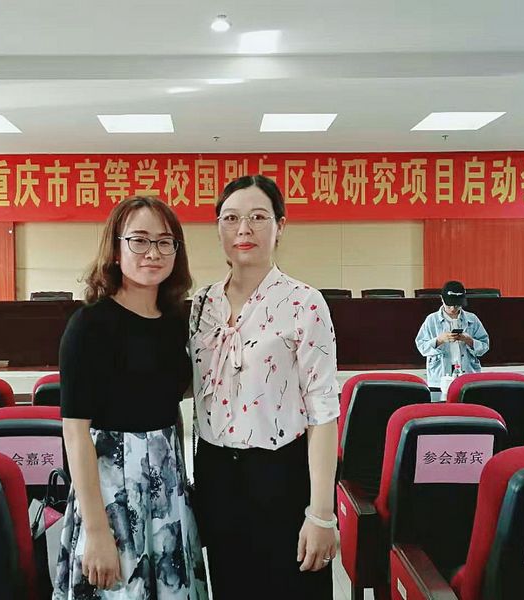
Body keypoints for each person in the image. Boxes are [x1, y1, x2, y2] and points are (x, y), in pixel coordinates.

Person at [189, 175, 340, 600]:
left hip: (281, 477)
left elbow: (323, 410)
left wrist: (321, 513)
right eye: (231, 218)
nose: (244, 229)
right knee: (231, 586)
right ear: (218, 227)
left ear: (280, 226)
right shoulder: (203, 303)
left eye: (258, 217)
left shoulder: (304, 303)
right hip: (217, 475)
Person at [54, 197, 208, 600]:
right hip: (111, 491)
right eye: (139, 240)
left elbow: (170, 401)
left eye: (164, 241)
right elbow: (75, 433)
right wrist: (96, 530)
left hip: (168, 487)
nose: (152, 252)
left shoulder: (175, 322)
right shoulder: (89, 325)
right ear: (116, 249)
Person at [415, 280, 490, 389]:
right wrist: (439, 340)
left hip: (468, 373)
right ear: (442, 299)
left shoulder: (472, 319)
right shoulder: (431, 320)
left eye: (457, 305)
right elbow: (421, 347)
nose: (453, 309)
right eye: (449, 305)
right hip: (440, 375)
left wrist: (469, 341)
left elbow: (485, 346)